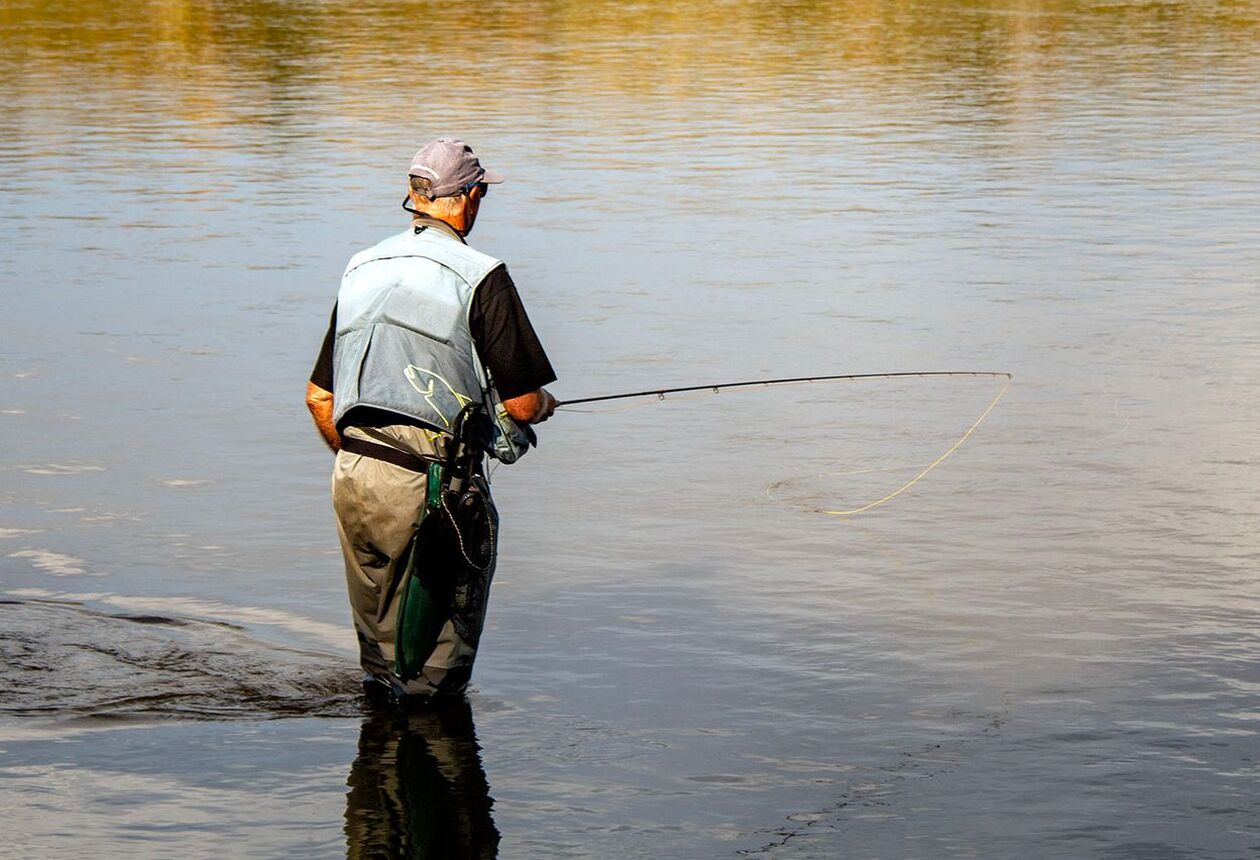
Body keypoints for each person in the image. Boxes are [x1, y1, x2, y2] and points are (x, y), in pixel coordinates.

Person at [306, 138, 557, 703]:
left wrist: (363, 459)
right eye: (481, 192)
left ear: (414, 197)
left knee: (382, 665)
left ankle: (377, 780)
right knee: (435, 674)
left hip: (352, 473)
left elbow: (319, 399)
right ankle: (434, 777)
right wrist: (542, 406)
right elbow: (520, 405)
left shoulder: (360, 266)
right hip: (431, 486)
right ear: (466, 197)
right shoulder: (481, 273)